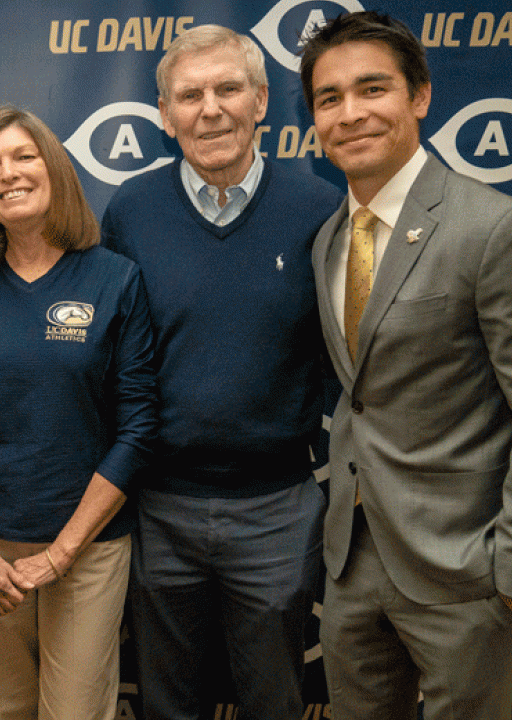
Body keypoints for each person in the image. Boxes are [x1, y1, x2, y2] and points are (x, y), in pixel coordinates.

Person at [299, 12, 512, 719]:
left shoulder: (497, 230)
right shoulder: (329, 239)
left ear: (421, 96)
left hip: (466, 573)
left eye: (373, 89)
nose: (350, 113)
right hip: (352, 562)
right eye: (329, 98)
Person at [100, 25, 341, 720]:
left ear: (260, 101)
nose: (210, 109)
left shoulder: (320, 210)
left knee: (274, 698)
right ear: (164, 114)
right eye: (190, 95)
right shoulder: (131, 212)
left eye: (228, 89)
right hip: (158, 506)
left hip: (276, 508)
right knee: (166, 701)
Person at [0, 105, 157, 720]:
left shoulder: (115, 280)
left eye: (24, 156)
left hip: (86, 549)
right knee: (5, 711)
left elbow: (137, 428)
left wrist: (62, 552)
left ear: (54, 168)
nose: (8, 173)